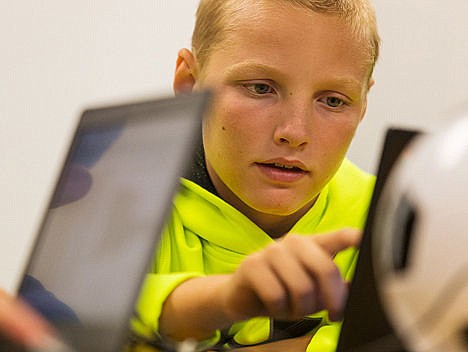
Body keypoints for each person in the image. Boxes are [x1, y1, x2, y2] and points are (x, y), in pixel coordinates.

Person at [133, 0, 380, 351]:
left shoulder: (387, 221)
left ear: (363, 105)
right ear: (190, 84)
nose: (294, 132)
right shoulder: (127, 208)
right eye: (261, 88)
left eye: (333, 101)